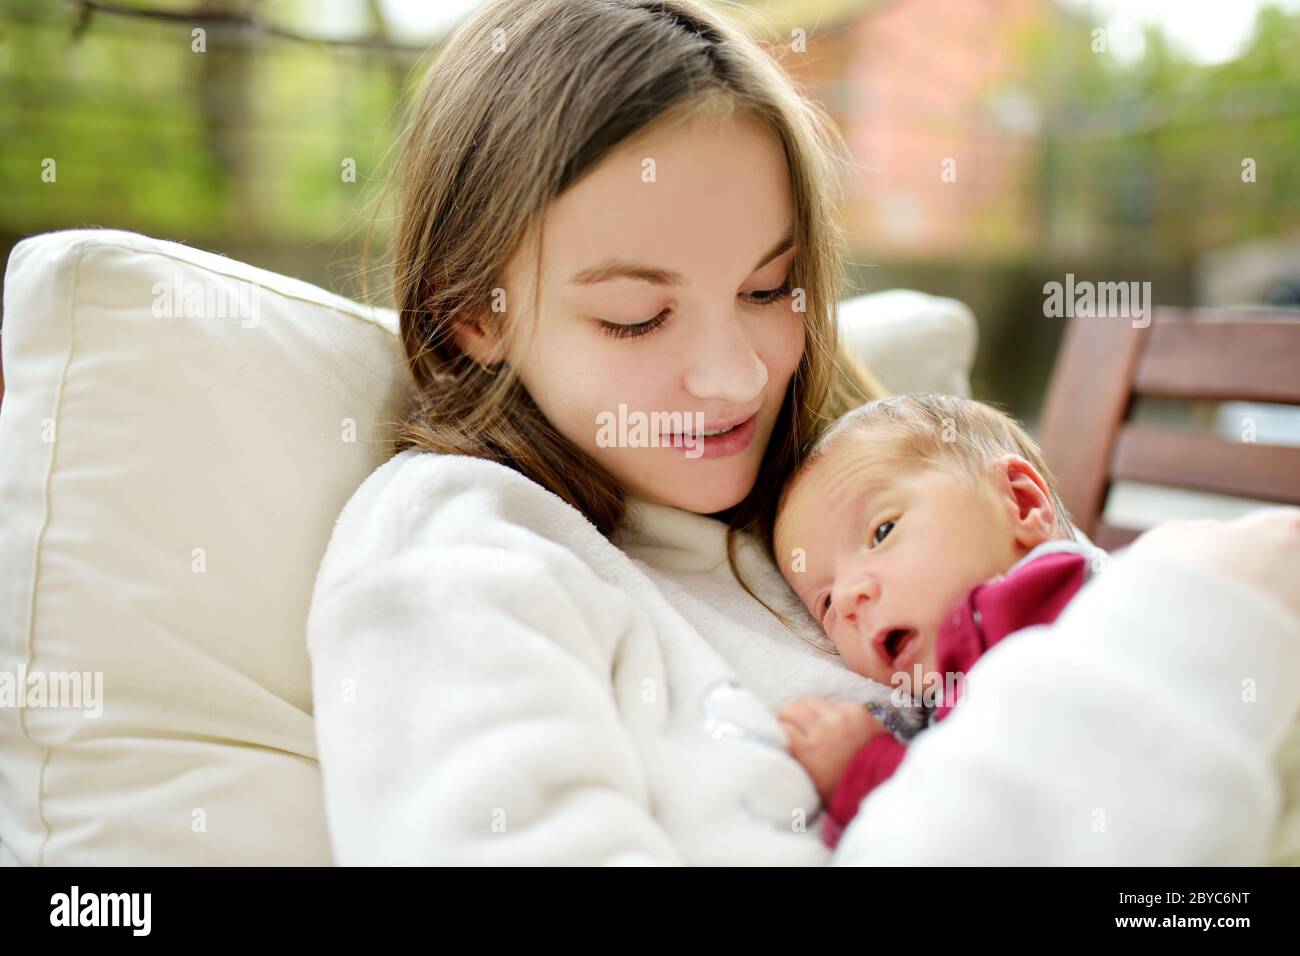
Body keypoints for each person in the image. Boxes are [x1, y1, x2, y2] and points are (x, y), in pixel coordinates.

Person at [306, 0, 1300, 865]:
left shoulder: (856, 481)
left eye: (768, 288)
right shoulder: (457, 547)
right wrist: (1205, 612)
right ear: (470, 314)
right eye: (635, 315)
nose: (741, 375)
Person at [772, 394, 1300, 861]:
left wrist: (864, 769)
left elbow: (1034, 800)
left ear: (1021, 503)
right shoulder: (942, 698)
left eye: (882, 531)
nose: (848, 598)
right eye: (823, 602)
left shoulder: (1057, 602)